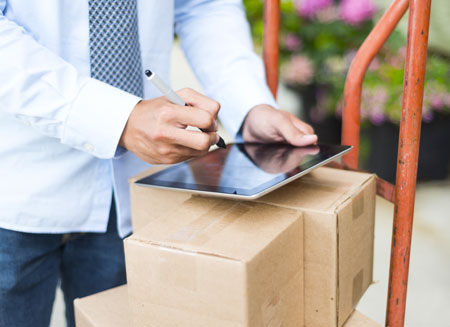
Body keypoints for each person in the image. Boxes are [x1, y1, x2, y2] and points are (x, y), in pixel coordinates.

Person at [0, 1, 317, 326]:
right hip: (15, 181)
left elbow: (204, 6)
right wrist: (115, 118)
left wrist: (249, 107)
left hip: (132, 193)